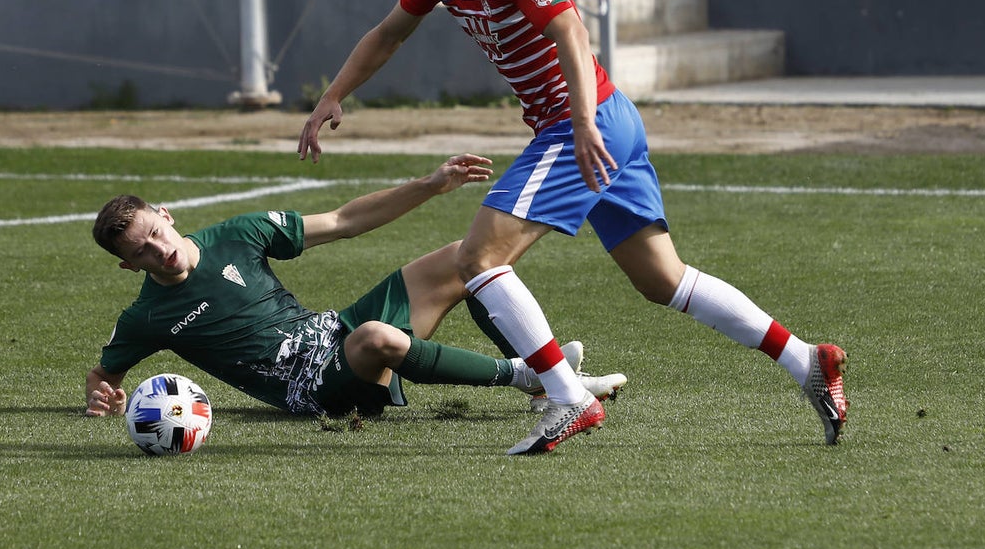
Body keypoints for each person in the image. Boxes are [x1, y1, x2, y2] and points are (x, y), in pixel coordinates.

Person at [297, 0, 849, 454]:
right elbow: (388, 34)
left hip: (583, 124)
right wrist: (333, 94)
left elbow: (572, 33)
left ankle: (567, 397)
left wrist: (582, 124)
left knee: (478, 258)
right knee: (663, 279)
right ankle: (806, 360)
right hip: (605, 121)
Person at [83, 153, 627, 431]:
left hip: (333, 334)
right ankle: (533, 375)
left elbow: (344, 221)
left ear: (166, 215)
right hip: (313, 389)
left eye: (155, 233)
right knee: (374, 337)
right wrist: (103, 397)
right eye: (142, 252)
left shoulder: (237, 234)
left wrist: (429, 185)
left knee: (468, 258)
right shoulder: (145, 317)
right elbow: (103, 376)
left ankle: (542, 386)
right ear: (130, 266)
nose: (159, 250)